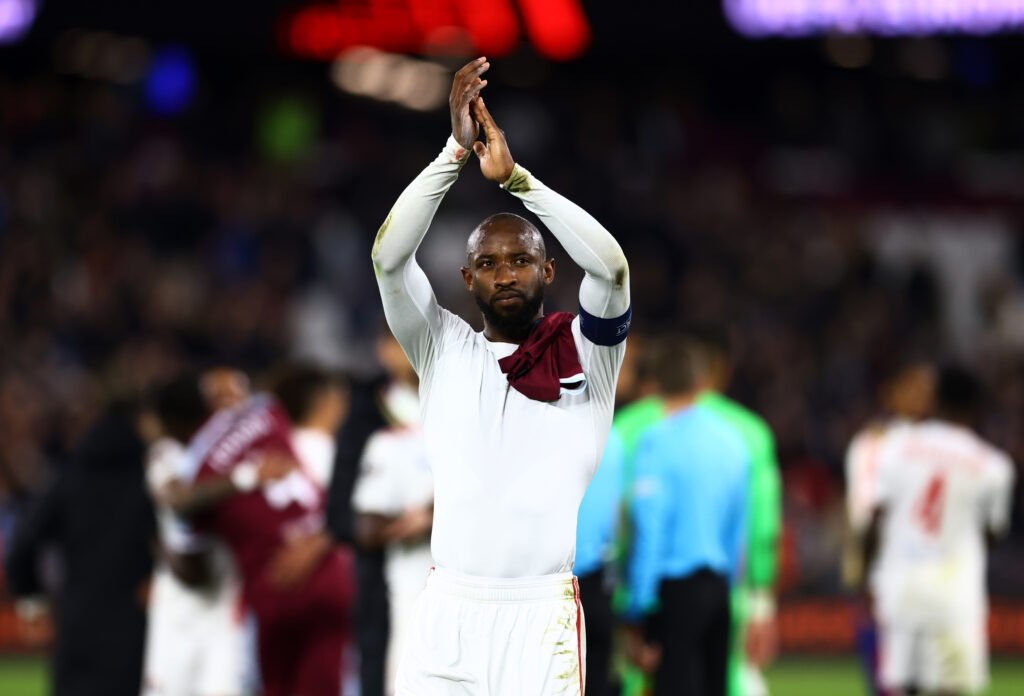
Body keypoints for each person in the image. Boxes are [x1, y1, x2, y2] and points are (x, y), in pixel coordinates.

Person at [371, 57, 630, 696]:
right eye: (488, 262)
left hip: (540, 616)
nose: (505, 271)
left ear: (548, 271)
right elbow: (388, 258)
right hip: (447, 612)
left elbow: (612, 269)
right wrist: (452, 153)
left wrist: (517, 182)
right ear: (467, 280)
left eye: (522, 259)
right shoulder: (440, 347)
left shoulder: (584, 351)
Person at [167, 372, 356, 696]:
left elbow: (182, 519)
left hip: (274, 584)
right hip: (326, 570)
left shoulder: (194, 466)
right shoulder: (267, 411)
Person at [864, 366, 1014, 696]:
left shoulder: (894, 448)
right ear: (977, 407)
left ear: (936, 400)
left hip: (901, 590)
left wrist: (869, 573)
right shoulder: (993, 466)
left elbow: (875, 517)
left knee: (904, 688)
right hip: (955, 595)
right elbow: (993, 532)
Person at [5, 397, 156, 696]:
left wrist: (32, 600)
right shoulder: (152, 480)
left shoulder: (68, 478)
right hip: (137, 621)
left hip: (77, 621)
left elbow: (22, 545)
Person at [625, 335, 749, 696]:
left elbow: (651, 528)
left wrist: (638, 606)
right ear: (700, 383)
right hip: (719, 588)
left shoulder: (655, 441)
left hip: (673, 591)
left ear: (655, 384)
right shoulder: (733, 441)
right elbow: (736, 527)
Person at [689, 324, 783, 696]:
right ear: (722, 367)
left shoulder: (632, 428)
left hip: (650, 596)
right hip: (727, 594)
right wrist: (761, 604)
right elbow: (761, 528)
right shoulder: (749, 433)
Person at [141, 373, 248, 696]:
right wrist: (244, 478)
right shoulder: (167, 452)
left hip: (228, 602)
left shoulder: (242, 450)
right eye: (218, 399)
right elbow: (177, 499)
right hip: (179, 609)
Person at [844, 359, 935, 696]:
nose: (922, 397)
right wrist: (866, 573)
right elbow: (865, 511)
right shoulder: (872, 445)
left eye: (928, 390)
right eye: (913, 388)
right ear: (891, 393)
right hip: (887, 575)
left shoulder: (946, 445)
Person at [352, 332, 433, 695]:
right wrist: (427, 517)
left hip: (475, 593)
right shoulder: (384, 436)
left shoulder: (464, 422)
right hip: (413, 596)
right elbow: (366, 529)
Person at [574, 428, 625, 696]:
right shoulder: (612, 439)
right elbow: (618, 520)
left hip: (553, 580)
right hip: (598, 579)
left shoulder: (539, 429)